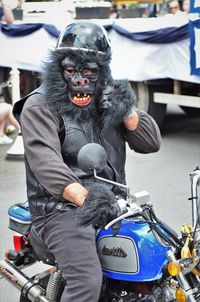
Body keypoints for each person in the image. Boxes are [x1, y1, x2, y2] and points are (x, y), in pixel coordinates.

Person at [13, 21, 161, 302]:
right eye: (70, 70)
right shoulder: (40, 105)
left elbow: (151, 142)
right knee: (85, 281)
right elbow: (47, 166)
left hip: (114, 203)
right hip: (61, 210)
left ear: (102, 70)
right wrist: (87, 198)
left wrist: (126, 110)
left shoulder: (109, 97)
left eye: (89, 71)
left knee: (165, 255)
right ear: (59, 68)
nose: (79, 80)